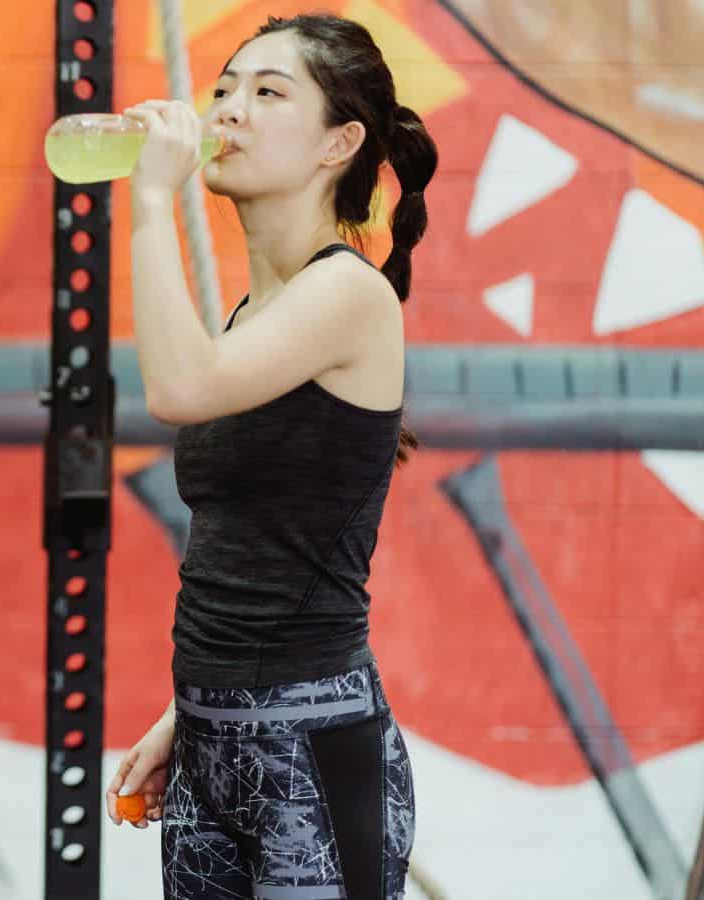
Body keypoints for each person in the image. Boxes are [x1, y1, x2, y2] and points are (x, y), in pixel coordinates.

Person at [102, 14, 438, 900]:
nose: (228, 110)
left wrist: (149, 202)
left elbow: (178, 388)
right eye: (223, 88)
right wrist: (188, 714)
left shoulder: (349, 293)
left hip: (309, 750)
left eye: (267, 92)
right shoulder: (251, 317)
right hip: (211, 743)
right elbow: (254, 554)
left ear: (338, 144)